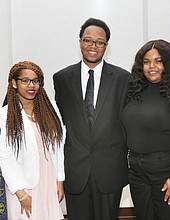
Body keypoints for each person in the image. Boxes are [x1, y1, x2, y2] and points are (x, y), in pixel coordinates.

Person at [53, 18, 130, 220]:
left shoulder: (124, 79)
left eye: (99, 42)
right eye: (88, 40)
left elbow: (127, 123)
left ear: (106, 45)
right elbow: (60, 125)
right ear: (80, 42)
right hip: (75, 170)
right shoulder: (61, 79)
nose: (93, 46)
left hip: (110, 170)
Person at [121, 39, 170, 220]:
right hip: (137, 175)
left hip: (169, 176)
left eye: (159, 61)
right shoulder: (134, 90)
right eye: (146, 62)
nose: (152, 66)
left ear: (169, 63)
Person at [0, 61, 65, 220]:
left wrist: (60, 180)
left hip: (48, 178)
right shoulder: (5, 115)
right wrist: (20, 193)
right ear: (14, 83)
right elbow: (5, 157)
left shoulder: (51, 108)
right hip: (24, 184)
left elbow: (58, 147)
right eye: (25, 80)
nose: (31, 85)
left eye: (36, 81)